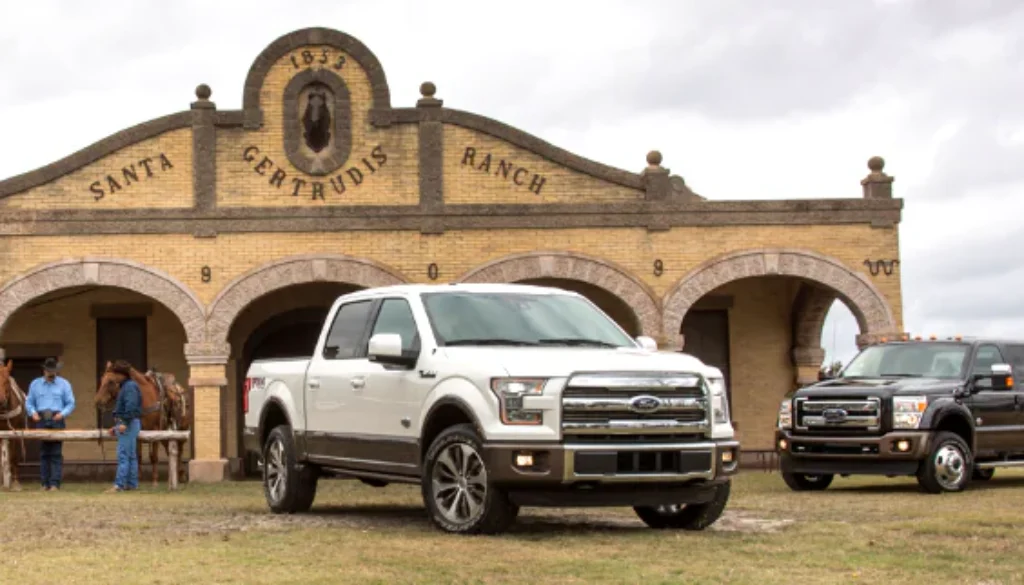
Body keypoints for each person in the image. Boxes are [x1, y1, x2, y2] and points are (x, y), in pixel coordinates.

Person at [25, 358, 75, 491]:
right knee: (43, 452)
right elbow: (29, 402)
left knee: (56, 453)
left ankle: (54, 483)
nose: (51, 373)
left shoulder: (64, 384)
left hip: (57, 417)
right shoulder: (35, 384)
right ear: (44, 370)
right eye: (49, 371)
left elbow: (70, 403)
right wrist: (33, 413)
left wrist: (62, 414)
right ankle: (44, 483)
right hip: (41, 418)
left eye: (54, 371)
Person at [106, 360, 142, 493]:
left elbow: (131, 407)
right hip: (129, 423)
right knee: (131, 455)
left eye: (116, 374)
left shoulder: (129, 387)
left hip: (128, 423)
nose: (114, 377)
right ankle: (132, 484)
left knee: (123, 455)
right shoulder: (128, 386)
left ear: (122, 375)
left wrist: (124, 423)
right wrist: (116, 427)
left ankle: (119, 485)